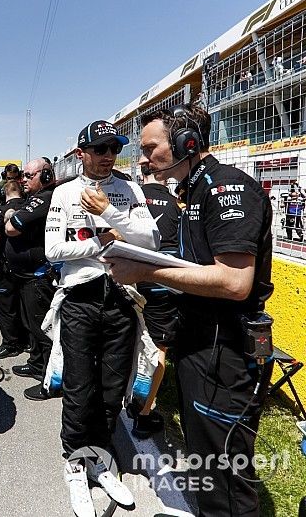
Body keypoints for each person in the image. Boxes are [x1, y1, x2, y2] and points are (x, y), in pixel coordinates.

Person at [106, 104, 274, 516]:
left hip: (226, 350)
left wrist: (147, 271)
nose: (143, 158)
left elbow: (234, 282)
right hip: (202, 344)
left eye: (150, 147)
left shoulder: (224, 187)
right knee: (207, 458)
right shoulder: (194, 191)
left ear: (187, 143)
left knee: (225, 474)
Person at [44, 120, 159, 509]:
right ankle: (75, 461)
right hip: (80, 300)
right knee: (79, 386)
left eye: (114, 148)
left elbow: (151, 240)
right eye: (101, 149)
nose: (109, 155)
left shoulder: (129, 189)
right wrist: (103, 240)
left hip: (123, 299)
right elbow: (53, 251)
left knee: (113, 386)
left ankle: (101, 457)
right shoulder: (64, 193)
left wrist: (110, 211)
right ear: (82, 154)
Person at [127, 165, 183, 436]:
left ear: (142, 172)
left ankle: (126, 398)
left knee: (127, 340)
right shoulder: (177, 204)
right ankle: (144, 412)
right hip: (161, 282)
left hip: (128, 277)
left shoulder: (128, 196)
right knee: (158, 347)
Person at [4, 157, 65, 401]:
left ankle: (50, 380)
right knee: (32, 326)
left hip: (37, 276)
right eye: (23, 176)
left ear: (47, 176)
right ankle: (36, 363)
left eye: (29, 176)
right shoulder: (35, 198)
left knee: (44, 330)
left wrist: (11, 212)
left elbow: (11, 227)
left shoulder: (45, 197)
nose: (23, 180)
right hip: (27, 275)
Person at [0, 181, 30, 359]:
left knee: (4, 305)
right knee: (24, 304)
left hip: (7, 267)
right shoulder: (30, 206)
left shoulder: (1, 209)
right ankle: (26, 340)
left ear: (4, 193)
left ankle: (11, 343)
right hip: (28, 267)